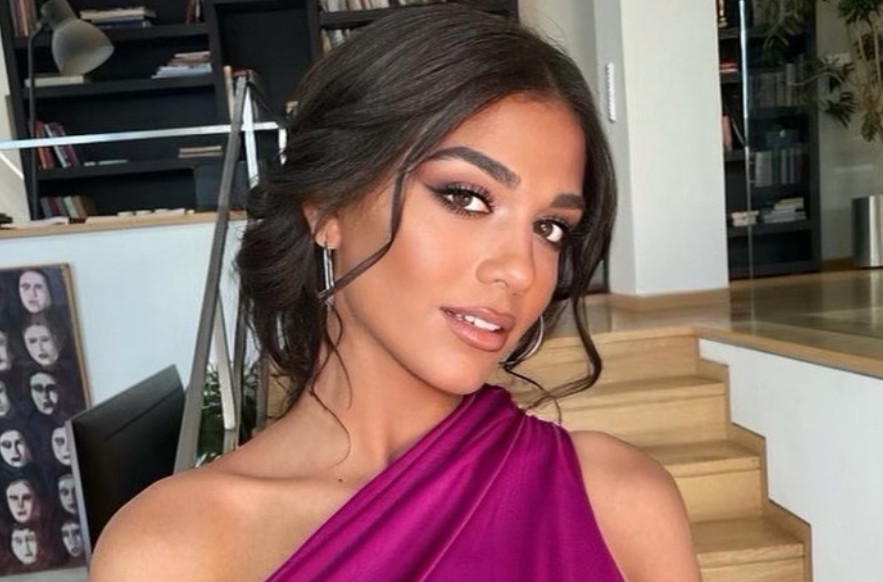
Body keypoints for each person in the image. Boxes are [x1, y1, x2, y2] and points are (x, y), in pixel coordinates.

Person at [91, 6, 700, 582]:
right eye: (466, 197)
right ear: (327, 208)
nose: (520, 271)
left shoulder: (621, 500)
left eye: (550, 228)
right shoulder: (175, 547)